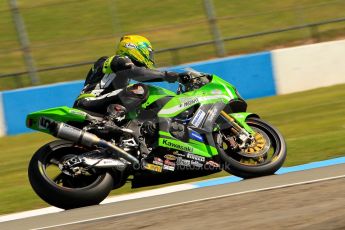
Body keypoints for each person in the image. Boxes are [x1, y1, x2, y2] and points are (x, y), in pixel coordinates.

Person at [74, 35, 184, 118]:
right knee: (139, 89)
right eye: (148, 54)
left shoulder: (120, 72)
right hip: (89, 102)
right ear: (135, 49)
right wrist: (165, 75)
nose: (150, 58)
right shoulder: (116, 59)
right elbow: (138, 73)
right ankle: (111, 120)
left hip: (97, 104)